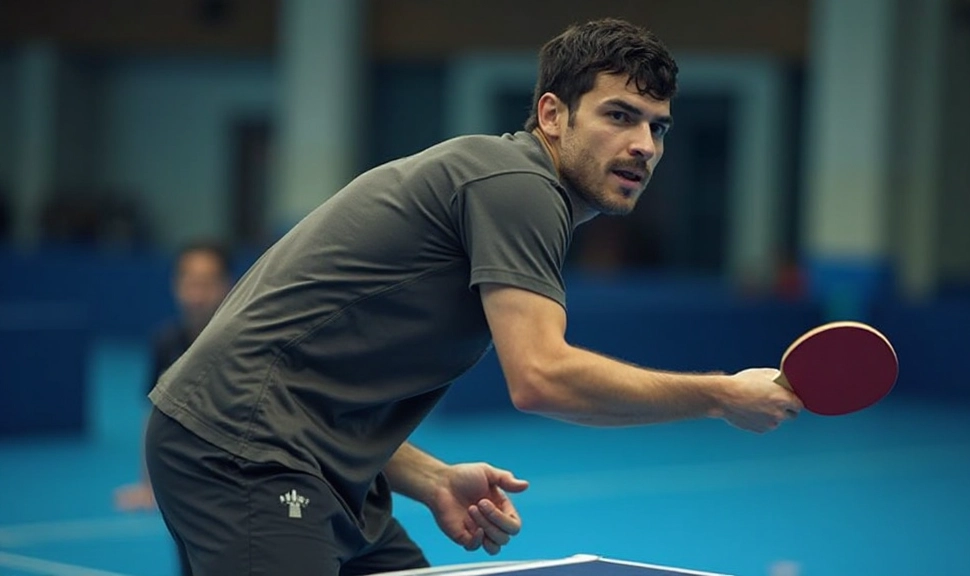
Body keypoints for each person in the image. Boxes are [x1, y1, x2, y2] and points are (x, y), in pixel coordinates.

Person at [144, 18, 803, 576]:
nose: (642, 145)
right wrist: (722, 395)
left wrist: (431, 479)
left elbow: (316, 389)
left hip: (316, 462)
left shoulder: (509, 188)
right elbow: (542, 378)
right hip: (241, 454)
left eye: (657, 128)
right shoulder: (518, 184)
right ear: (551, 113)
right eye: (619, 116)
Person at [113, 241, 232, 570]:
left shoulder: (242, 344)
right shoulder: (165, 342)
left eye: (206, 283)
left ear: (226, 286)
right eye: (189, 282)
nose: (196, 294)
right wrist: (147, 483)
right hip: (187, 490)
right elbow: (153, 414)